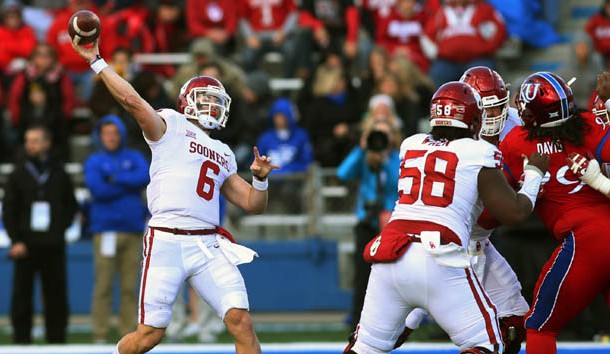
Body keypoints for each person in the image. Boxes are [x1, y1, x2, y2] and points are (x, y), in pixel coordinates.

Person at [71, 32, 278, 354]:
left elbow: (253, 204)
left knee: (241, 322)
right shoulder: (170, 124)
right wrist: (97, 62)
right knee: (150, 335)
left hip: (207, 244)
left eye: (215, 100)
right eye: (205, 98)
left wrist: (261, 181)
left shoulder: (222, 151)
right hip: (167, 239)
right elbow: (132, 101)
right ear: (187, 101)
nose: (211, 105)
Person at [344, 81, 549, 354]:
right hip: (440, 256)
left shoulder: (411, 144)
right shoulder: (478, 152)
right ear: (474, 120)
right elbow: (514, 213)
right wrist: (534, 175)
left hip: (390, 255)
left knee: (366, 347)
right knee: (487, 344)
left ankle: (407, 321)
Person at [394, 66, 530, 354]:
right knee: (395, 328)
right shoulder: (462, 144)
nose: (495, 118)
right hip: (452, 245)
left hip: (473, 241)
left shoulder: (513, 125)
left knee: (514, 320)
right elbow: (502, 212)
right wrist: (532, 181)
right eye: (487, 111)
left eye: (499, 108)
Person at [499, 71, 610, 354]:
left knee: (539, 326)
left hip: (587, 240)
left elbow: (495, 209)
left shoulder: (516, 143)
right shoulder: (588, 124)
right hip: (599, 227)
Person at [2, 124, 78, 344]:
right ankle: (21, 341)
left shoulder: (58, 171)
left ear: (47, 143)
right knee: (22, 295)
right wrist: (16, 240)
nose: (30, 145)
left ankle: (57, 341)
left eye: (35, 141)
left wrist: (58, 230)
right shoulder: (18, 173)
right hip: (25, 245)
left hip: (53, 245)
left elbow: (70, 205)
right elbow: (9, 210)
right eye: (27, 141)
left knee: (56, 295)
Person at [84, 114, 150, 343]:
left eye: (115, 133)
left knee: (130, 287)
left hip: (132, 230)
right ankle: (99, 332)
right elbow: (97, 189)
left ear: (121, 135)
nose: (111, 137)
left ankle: (128, 332)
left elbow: (145, 175)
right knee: (103, 284)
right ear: (100, 136)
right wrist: (128, 183)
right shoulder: (94, 161)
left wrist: (113, 178)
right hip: (105, 231)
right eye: (106, 133)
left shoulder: (134, 156)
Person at [337, 122, 401, 332]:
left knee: (395, 277)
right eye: (376, 134)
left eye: (384, 134)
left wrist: (385, 160)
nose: (379, 140)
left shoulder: (398, 158)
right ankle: (357, 323)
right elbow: (343, 174)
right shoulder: (363, 157)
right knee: (362, 276)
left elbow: (398, 181)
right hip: (367, 223)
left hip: (391, 224)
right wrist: (362, 149)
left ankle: (395, 323)